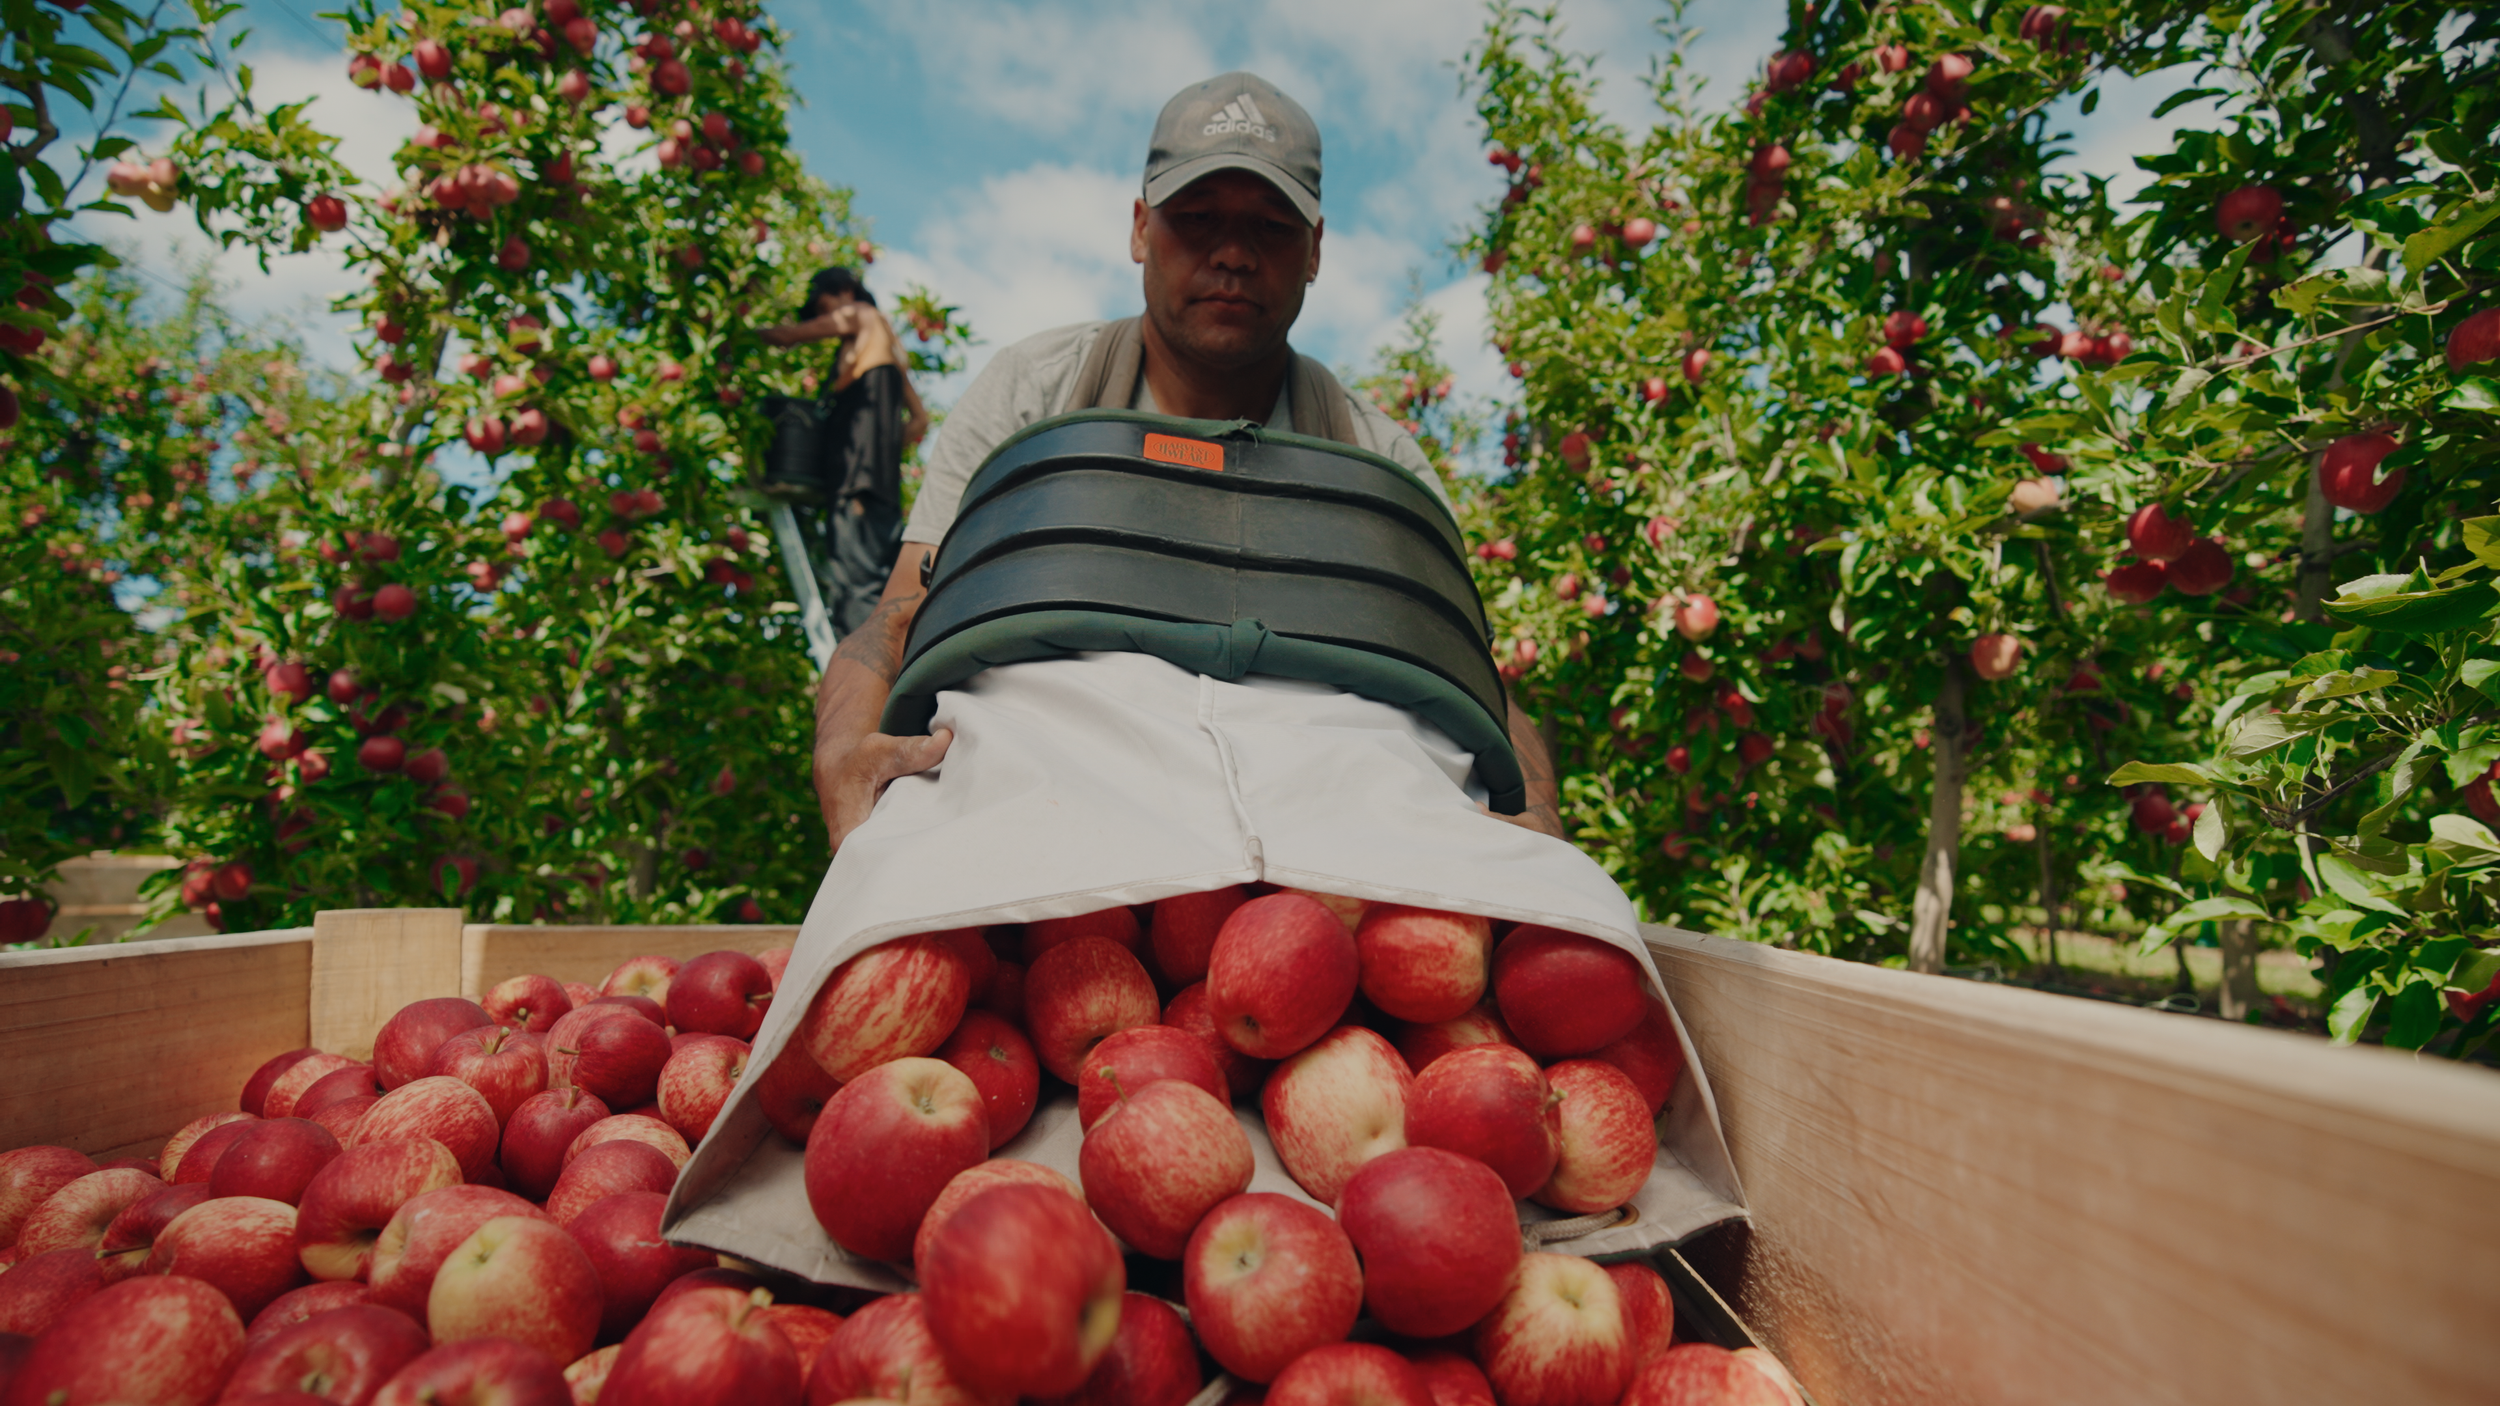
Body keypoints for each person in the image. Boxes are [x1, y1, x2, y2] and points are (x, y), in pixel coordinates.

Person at [805, 71, 1564, 853]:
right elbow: (902, 618)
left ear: (1315, 251)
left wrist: (1535, 813)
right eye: (1196, 219)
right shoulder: (1035, 397)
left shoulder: (1376, 458)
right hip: (1048, 829)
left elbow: (1475, 684)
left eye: (1271, 227)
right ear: (1140, 229)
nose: (1232, 254)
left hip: (1318, 853)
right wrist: (844, 752)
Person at [754, 267, 931, 633]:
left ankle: (862, 677)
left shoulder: (861, 315)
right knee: (880, 579)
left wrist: (741, 335)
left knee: (854, 587)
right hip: (881, 489)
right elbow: (919, 422)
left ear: (846, 292)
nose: (825, 318)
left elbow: (790, 335)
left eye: (825, 306)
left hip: (855, 483)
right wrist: (880, 446)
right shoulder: (891, 357)